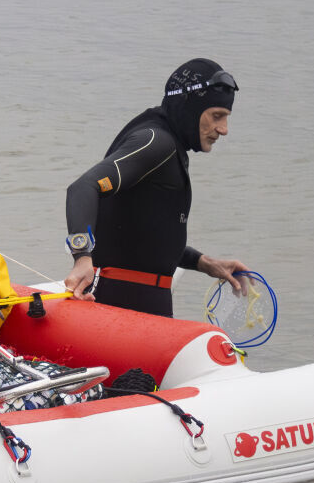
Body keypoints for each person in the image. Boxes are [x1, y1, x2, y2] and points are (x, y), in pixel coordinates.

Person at [62, 58, 251, 316]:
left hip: (143, 304)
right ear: (190, 108)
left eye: (226, 118)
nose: (223, 129)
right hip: (122, 305)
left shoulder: (170, 146)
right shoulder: (156, 142)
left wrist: (203, 263)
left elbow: (144, 236)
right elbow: (83, 187)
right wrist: (82, 257)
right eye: (217, 116)